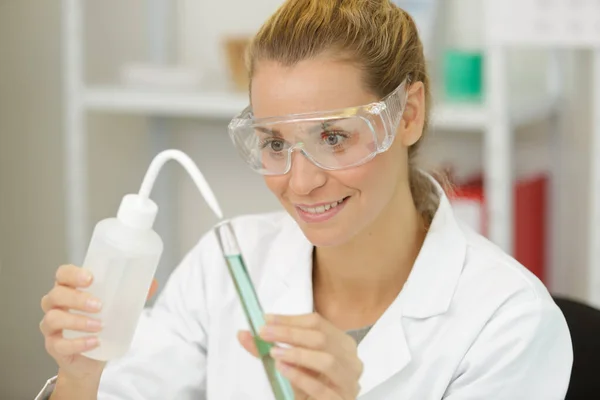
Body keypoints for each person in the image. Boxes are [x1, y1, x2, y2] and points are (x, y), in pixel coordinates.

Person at [36, 0, 573, 399]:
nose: (300, 183)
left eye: (334, 137)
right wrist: (83, 372)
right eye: (274, 143)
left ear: (407, 115)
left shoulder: (507, 323)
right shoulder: (225, 266)